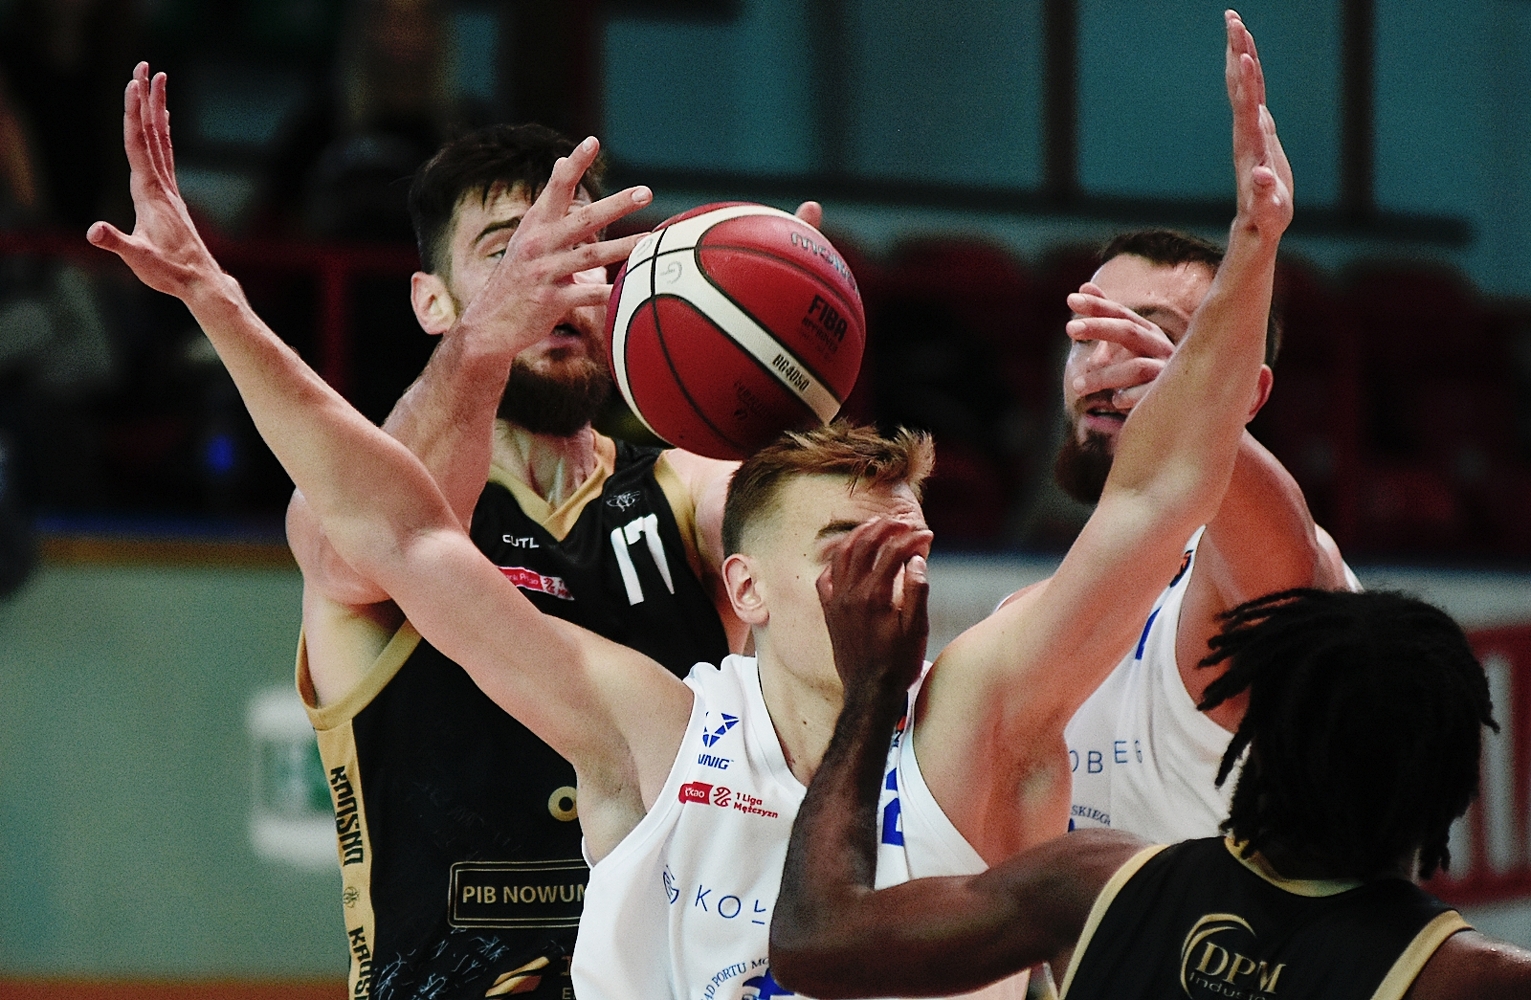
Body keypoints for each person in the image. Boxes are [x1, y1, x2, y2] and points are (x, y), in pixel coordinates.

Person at [91, 9, 1286, 997]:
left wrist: (784, 351)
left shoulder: (924, 679)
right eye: (510, 254)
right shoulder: (658, 730)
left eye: (580, 255)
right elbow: (394, 527)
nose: (883, 560)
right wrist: (217, 300)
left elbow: (1143, 491)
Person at [284, 123, 816, 994]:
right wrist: (485, 342)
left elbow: (809, 555)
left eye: (577, 256)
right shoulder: (369, 510)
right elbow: (361, 546)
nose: (550, 284)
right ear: (433, 303)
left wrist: (784, 381)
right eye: (509, 257)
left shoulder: (687, 491)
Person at [770, 557, 1531, 998]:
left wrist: (873, 690)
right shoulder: (1470, 982)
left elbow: (815, 939)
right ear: (1453, 782)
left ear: (1258, 740)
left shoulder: (1096, 888)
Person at [1023, 227, 1357, 843]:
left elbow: (1288, 587)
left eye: (1156, 340)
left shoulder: (1261, 568)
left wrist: (1194, 405)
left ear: (1248, 396)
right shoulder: (1025, 615)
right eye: (1089, 335)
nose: (1104, 361)